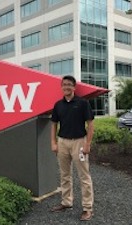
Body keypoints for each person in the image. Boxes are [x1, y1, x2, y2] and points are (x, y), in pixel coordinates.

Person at [50, 75, 95, 221]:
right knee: (64, 175)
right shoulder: (58, 105)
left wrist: (87, 144)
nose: (66, 87)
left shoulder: (83, 103)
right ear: (61, 87)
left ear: (74, 87)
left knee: (84, 176)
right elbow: (54, 125)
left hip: (79, 143)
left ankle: (87, 208)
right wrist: (54, 142)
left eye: (69, 84)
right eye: (64, 85)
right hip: (62, 142)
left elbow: (90, 124)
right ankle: (66, 202)